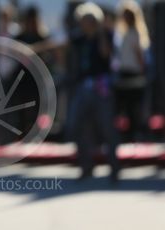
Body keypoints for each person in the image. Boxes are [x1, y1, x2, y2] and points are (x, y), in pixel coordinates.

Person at [66, 2, 119, 181]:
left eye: (88, 21)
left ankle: (114, 167)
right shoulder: (79, 38)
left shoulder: (106, 35)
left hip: (101, 86)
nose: (84, 24)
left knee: (107, 127)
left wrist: (102, 32)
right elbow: (61, 45)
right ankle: (86, 166)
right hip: (83, 86)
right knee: (81, 127)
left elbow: (106, 55)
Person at [112, 0, 151, 142]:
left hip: (134, 73)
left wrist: (142, 72)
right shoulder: (122, 34)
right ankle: (127, 133)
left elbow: (139, 55)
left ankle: (134, 133)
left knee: (133, 106)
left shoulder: (135, 33)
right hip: (123, 72)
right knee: (123, 106)